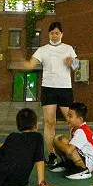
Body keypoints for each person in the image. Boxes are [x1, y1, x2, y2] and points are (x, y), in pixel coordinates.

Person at [15, 21, 77, 168]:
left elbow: (76, 66)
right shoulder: (42, 50)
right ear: (48, 34)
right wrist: (22, 62)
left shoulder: (68, 48)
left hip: (65, 88)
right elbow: (31, 64)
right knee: (49, 123)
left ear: (61, 34)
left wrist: (72, 63)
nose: (54, 35)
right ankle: (51, 155)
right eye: (51, 33)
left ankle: (74, 152)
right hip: (48, 88)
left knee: (72, 122)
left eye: (57, 33)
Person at [0, 108, 58, 186]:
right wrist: (42, 184)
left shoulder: (12, 136)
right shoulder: (37, 137)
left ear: (18, 125)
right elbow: (39, 160)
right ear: (35, 125)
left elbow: (2, 156)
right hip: (18, 182)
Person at [50, 102, 93, 180]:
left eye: (70, 116)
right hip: (83, 156)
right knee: (62, 139)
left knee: (61, 140)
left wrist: (56, 140)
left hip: (89, 163)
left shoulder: (82, 131)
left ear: (80, 119)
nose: (67, 119)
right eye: (67, 116)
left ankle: (83, 170)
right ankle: (67, 164)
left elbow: (69, 150)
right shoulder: (74, 129)